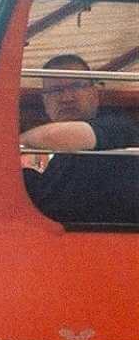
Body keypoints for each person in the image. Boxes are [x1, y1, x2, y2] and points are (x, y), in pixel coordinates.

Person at [20, 53, 139, 225]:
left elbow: (59, 136)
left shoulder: (119, 127)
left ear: (94, 94)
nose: (66, 98)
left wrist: (12, 142)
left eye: (76, 86)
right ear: (44, 101)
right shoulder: (55, 165)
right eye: (55, 90)